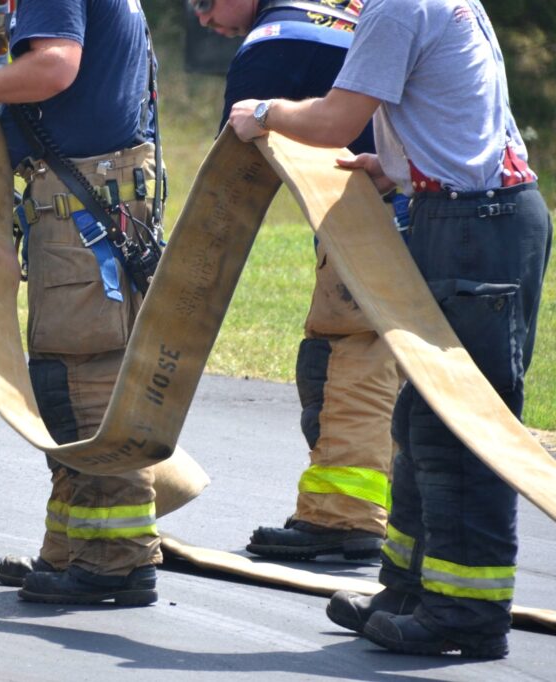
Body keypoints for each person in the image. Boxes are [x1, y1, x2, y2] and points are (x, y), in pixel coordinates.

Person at [228, 0, 551, 658]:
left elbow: (333, 120)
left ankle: (466, 613)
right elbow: (458, 112)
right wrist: (399, 168)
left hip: (474, 228)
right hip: (467, 216)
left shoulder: (398, 5)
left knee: (459, 433)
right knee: (416, 419)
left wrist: (261, 113)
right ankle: (409, 589)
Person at [0, 0, 163, 605]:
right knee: (62, 380)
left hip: (82, 213)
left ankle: (116, 558)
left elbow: (54, 68)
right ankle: (71, 548)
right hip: (87, 202)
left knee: (86, 379)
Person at [192, 0, 398, 561]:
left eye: (204, 3)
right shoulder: (343, 13)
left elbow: (230, 181)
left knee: (343, 361)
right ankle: (404, 524)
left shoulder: (272, 42)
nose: (202, 18)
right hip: (440, 210)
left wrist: (188, 282)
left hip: (385, 222)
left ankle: (344, 521)